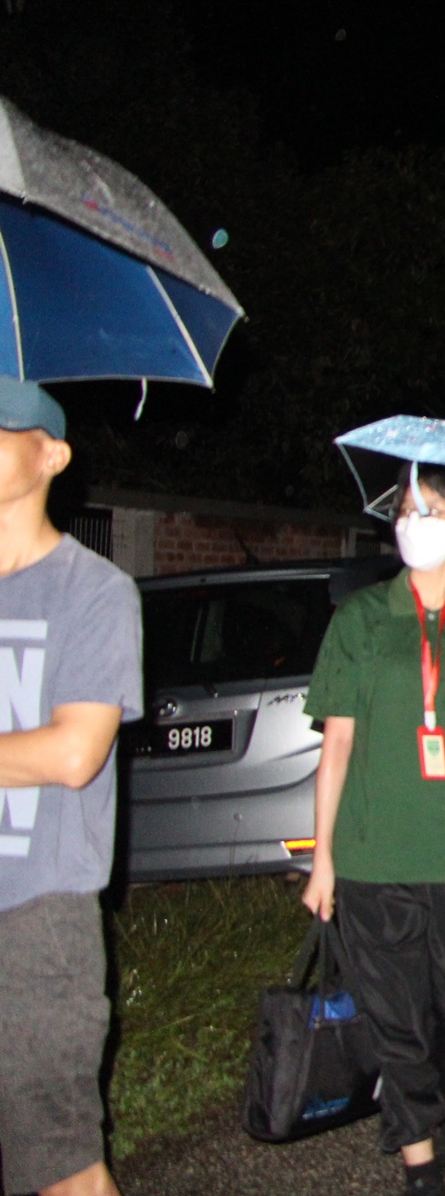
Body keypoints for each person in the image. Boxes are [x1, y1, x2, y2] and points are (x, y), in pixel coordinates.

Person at [302, 462, 445, 1196]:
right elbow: (335, 745)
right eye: (405, 506)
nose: (413, 520)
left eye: (432, 508)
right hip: (373, 848)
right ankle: (420, 1163)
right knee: (394, 1013)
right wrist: (323, 859)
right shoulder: (360, 618)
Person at [0, 382, 141, 1196]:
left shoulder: (93, 592)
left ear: (51, 454)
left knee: (62, 1170)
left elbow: (75, 751)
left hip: (34, 920)